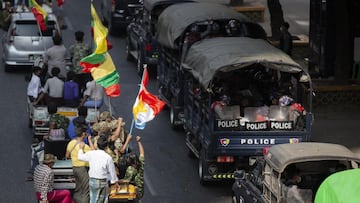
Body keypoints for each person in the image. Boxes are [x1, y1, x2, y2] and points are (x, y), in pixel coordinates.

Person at [78, 135, 119, 203]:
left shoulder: (92, 153)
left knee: (93, 199)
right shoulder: (108, 157)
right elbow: (112, 172)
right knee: (102, 200)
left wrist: (80, 149)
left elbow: (80, 157)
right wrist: (115, 182)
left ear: (97, 145)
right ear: (106, 146)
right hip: (102, 181)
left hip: (92, 180)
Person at [65, 124, 94, 203]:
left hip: (75, 168)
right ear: (83, 134)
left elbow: (67, 155)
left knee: (78, 188)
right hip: (83, 169)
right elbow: (94, 153)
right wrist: (90, 140)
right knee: (85, 189)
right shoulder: (84, 146)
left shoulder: (71, 143)